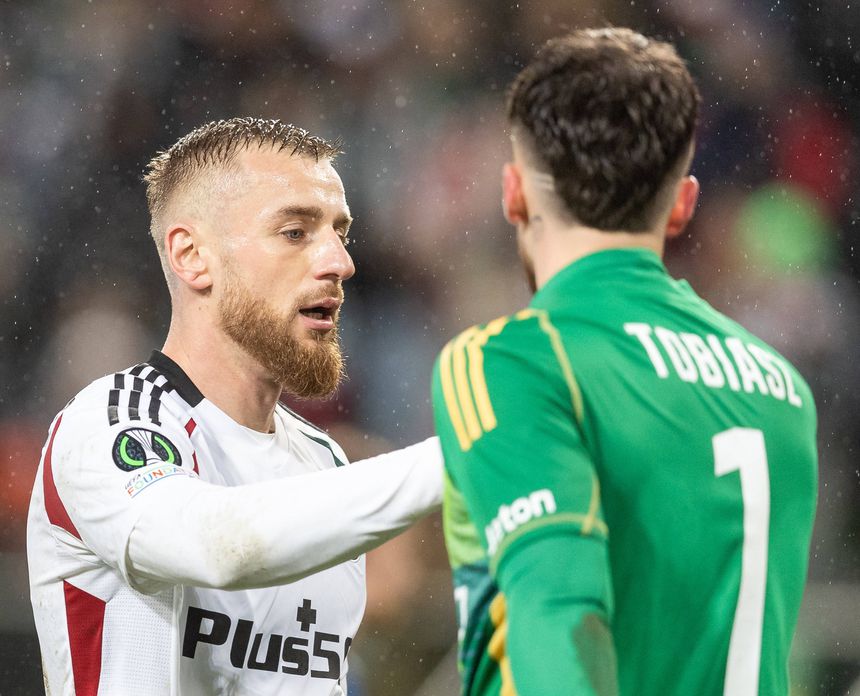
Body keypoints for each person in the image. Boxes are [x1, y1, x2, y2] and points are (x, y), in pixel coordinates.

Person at [432, 29, 817, 696]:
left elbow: (561, 611)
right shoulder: (781, 386)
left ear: (514, 194)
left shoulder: (511, 361)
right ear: (683, 205)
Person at [27, 118, 442, 696]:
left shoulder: (323, 461)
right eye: (296, 232)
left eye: (340, 234)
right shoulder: (110, 422)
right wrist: (461, 455)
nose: (340, 263)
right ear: (192, 255)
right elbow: (214, 545)